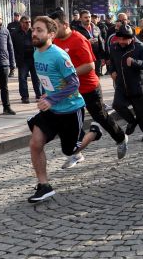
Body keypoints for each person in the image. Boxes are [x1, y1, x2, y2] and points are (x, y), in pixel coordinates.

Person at [26, 16, 102, 203]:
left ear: (51, 34)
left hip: (70, 109)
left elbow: (74, 83)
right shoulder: (37, 53)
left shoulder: (59, 55)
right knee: (35, 144)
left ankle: (94, 131)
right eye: (33, 29)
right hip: (51, 110)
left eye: (39, 30)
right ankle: (44, 186)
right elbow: (49, 79)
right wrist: (46, 94)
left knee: (70, 151)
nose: (34, 33)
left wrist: (52, 98)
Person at [50, 11, 129, 164]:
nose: (52, 30)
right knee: (68, 120)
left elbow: (90, 66)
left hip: (89, 88)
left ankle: (120, 138)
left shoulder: (78, 40)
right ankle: (76, 152)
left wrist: (67, 75)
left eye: (55, 26)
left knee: (101, 117)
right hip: (71, 91)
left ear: (65, 25)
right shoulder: (55, 42)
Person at [108, 24, 143, 142]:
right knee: (117, 105)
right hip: (121, 84)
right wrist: (112, 71)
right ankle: (132, 122)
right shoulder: (114, 47)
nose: (121, 41)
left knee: (141, 115)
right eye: (119, 38)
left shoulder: (141, 47)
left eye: (124, 39)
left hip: (138, 85)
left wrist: (134, 62)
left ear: (131, 38)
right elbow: (111, 62)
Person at [11, 16, 41, 104]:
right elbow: (12, 47)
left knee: (36, 78)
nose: (28, 24)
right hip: (22, 59)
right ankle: (25, 97)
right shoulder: (15, 33)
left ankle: (39, 95)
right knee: (22, 78)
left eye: (29, 22)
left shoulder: (34, 32)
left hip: (34, 58)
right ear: (21, 23)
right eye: (26, 22)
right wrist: (15, 58)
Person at [75, 10, 105, 77]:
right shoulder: (77, 30)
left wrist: (103, 57)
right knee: (88, 77)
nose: (88, 19)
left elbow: (101, 42)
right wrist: (87, 42)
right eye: (85, 17)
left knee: (97, 76)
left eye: (89, 17)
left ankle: (97, 87)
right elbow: (75, 45)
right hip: (84, 59)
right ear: (80, 18)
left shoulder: (96, 28)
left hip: (97, 57)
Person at [7, 12, 21, 78]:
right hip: (12, 44)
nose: (17, 17)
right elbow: (7, 34)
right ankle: (12, 71)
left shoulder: (21, 25)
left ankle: (25, 72)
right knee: (12, 58)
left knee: (21, 58)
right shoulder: (10, 25)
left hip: (19, 44)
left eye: (18, 16)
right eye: (16, 16)